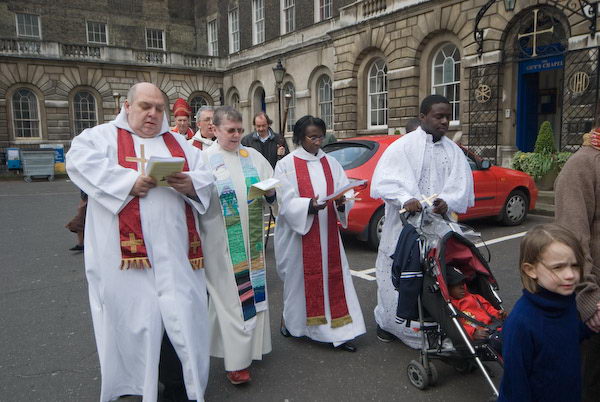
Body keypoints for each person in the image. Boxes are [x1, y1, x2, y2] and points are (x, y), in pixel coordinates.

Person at [66, 82, 214, 402]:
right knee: (133, 325)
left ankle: (179, 389)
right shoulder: (98, 138)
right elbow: (78, 162)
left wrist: (190, 183)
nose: (153, 114)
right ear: (127, 105)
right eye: (146, 106)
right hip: (125, 265)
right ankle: (133, 387)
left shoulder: (181, 144)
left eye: (159, 108)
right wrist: (128, 182)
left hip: (176, 260)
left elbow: (207, 178)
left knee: (180, 325)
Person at [370, 94, 474, 347]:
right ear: (423, 117)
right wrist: (405, 198)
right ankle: (390, 325)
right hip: (402, 229)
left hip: (437, 229)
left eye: (447, 116)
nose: (444, 121)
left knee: (432, 276)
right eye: (438, 116)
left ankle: (433, 327)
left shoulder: (453, 151)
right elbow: (385, 180)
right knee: (396, 276)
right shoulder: (402, 147)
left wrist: (446, 201)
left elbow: (461, 185)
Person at [273, 115, 366, 352]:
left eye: (320, 136)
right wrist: (308, 207)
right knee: (299, 282)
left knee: (334, 278)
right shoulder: (287, 164)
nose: (318, 141)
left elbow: (342, 191)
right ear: (300, 137)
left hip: (327, 232)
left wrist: (344, 202)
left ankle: (340, 332)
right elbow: (284, 201)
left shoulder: (331, 163)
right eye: (312, 137)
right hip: (300, 235)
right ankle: (295, 325)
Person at [197, 106, 274, 385]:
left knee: (252, 296)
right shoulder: (204, 159)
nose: (237, 135)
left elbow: (272, 186)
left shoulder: (251, 156)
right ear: (214, 130)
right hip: (222, 243)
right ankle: (236, 363)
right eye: (231, 130)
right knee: (232, 301)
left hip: (251, 241)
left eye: (240, 130)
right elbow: (195, 200)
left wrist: (271, 191)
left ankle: (253, 348)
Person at [498, 224, 591, 402]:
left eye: (575, 265)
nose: (570, 275)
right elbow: (515, 386)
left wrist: (590, 327)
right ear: (530, 270)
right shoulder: (521, 322)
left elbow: (569, 336)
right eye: (558, 268)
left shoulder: (566, 302)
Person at [554, 129, 600, 402]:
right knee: (589, 385)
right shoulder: (582, 165)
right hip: (596, 299)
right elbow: (573, 238)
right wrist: (589, 297)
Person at [447, 266, 507, 340]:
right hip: (482, 335)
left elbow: (489, 309)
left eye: (462, 283)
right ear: (448, 288)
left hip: (494, 327)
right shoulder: (450, 306)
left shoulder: (475, 297)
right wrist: (472, 332)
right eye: (456, 284)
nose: (462, 286)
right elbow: (454, 327)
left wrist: (499, 314)